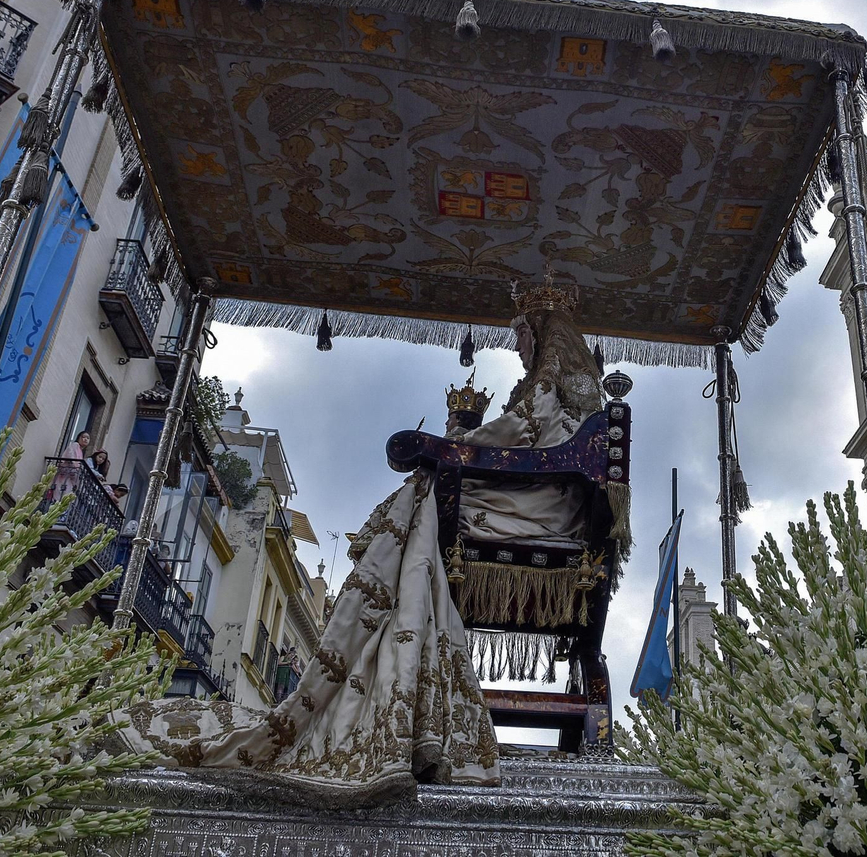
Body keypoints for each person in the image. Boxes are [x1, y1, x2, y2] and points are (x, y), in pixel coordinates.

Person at [115, 281, 607, 797]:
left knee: (422, 499)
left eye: (522, 335)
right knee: (423, 504)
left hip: (536, 508)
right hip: (543, 503)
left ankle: (394, 679)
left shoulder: (550, 383)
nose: (518, 347)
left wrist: (452, 446)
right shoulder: (574, 385)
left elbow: (519, 438)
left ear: (542, 331)